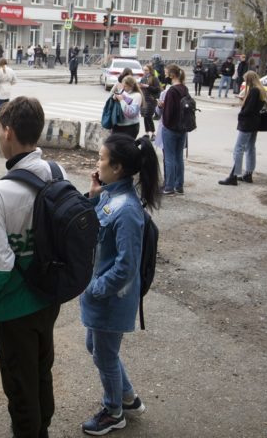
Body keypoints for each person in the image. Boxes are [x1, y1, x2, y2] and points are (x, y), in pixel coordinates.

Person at [0, 96, 63, 438]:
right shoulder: (57, 173)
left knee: (18, 379)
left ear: (8, 132)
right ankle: (43, 426)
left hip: (13, 308)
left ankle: (30, 430)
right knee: (42, 367)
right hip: (50, 296)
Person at [79, 133, 160, 436]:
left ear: (119, 167)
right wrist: (94, 195)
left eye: (101, 158)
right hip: (102, 294)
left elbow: (126, 265)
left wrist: (96, 288)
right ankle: (128, 397)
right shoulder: (112, 195)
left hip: (111, 297)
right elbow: (93, 227)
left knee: (104, 354)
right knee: (97, 347)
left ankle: (114, 411)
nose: (97, 162)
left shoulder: (126, 210)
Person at [219, 70, 267, 186]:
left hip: (247, 123)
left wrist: (241, 114)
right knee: (250, 148)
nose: (245, 81)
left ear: (249, 79)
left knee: (238, 149)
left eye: (246, 80)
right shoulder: (260, 90)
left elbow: (249, 108)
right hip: (255, 123)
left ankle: (234, 176)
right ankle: (248, 174)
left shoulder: (254, 91)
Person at [159, 64, 189, 196]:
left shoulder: (171, 91)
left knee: (169, 158)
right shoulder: (184, 88)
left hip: (170, 128)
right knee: (179, 158)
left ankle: (169, 187)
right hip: (182, 128)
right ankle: (179, 186)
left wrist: (162, 107)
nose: (165, 75)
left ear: (171, 75)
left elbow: (169, 112)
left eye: (166, 73)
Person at [139, 65, 160, 139]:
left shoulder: (154, 78)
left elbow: (157, 89)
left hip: (151, 100)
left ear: (150, 70)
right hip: (144, 100)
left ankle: (153, 133)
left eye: (146, 70)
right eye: (144, 70)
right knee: (145, 116)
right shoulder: (143, 78)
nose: (144, 72)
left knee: (148, 116)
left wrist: (147, 86)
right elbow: (140, 89)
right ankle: (147, 133)